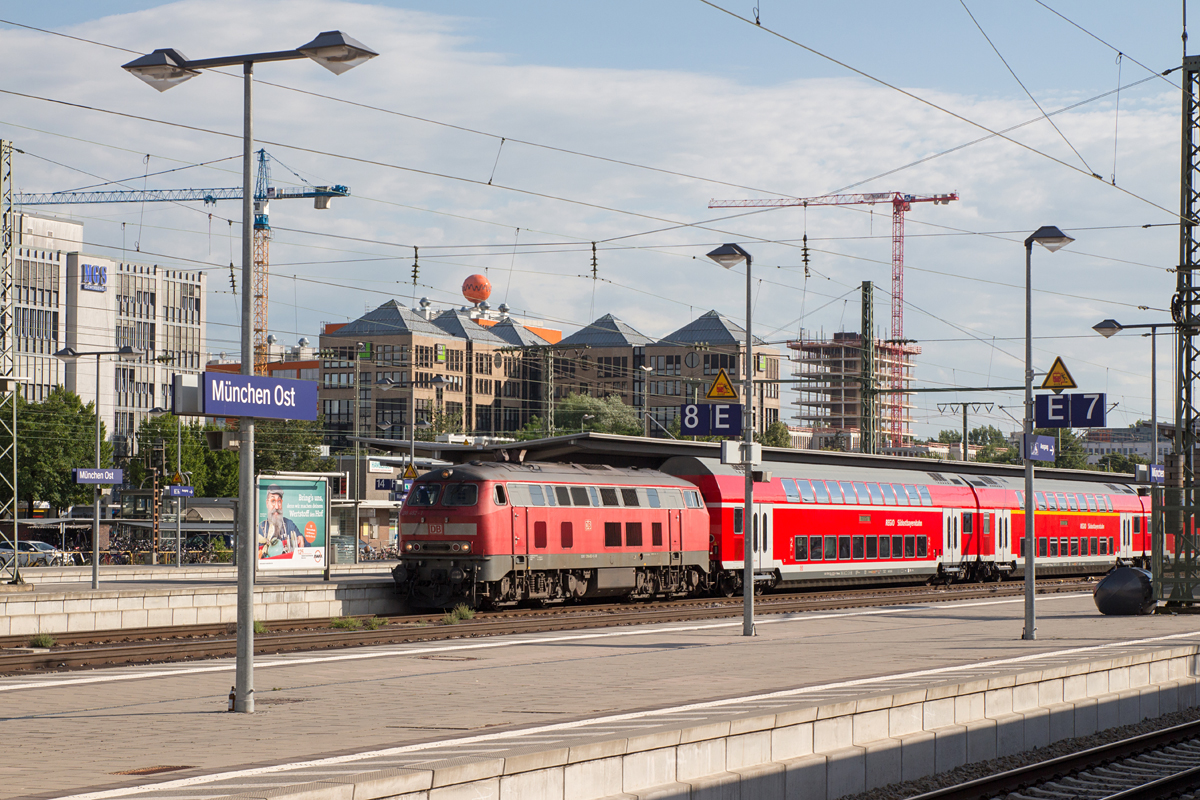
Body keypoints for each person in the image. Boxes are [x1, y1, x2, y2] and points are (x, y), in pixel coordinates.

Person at [258, 485, 302, 558]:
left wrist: (301, 538)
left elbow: (304, 543)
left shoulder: (289, 525)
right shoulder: (260, 529)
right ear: (267, 503)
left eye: (279, 501)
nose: (276, 507)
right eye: (273, 501)